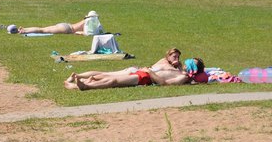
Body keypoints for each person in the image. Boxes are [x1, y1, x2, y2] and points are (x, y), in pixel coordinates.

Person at [69, 57, 206, 90]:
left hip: (145, 77)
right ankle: (77, 83)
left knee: (114, 81)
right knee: (108, 76)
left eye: (191, 62)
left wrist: (150, 72)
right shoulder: (179, 68)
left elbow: (164, 83)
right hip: (142, 73)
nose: (187, 62)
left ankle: (85, 86)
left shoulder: (182, 77)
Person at [18, 11, 99, 34]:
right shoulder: (90, 22)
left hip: (66, 25)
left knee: (43, 29)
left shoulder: (86, 21)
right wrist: (79, 33)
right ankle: (24, 30)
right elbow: (87, 33)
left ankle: (25, 29)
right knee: (43, 30)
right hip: (68, 29)